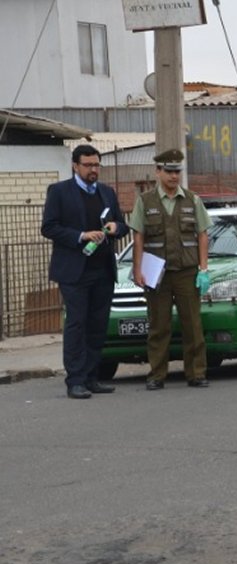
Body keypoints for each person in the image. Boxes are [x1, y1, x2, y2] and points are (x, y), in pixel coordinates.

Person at [40, 145, 129, 399]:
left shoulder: (106, 193)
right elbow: (49, 227)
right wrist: (81, 236)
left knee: (97, 325)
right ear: (75, 166)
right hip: (74, 272)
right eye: (88, 165)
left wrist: (115, 227)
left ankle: (92, 377)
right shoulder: (59, 192)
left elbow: (122, 226)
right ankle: (75, 380)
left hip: (102, 269)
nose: (93, 170)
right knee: (77, 324)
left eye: (96, 165)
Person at [129, 149, 212, 390]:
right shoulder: (145, 201)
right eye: (169, 171)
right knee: (158, 325)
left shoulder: (192, 199)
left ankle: (196, 373)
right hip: (157, 274)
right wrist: (137, 270)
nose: (174, 176)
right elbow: (139, 237)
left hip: (186, 271)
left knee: (193, 325)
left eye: (177, 171)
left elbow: (203, 234)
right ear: (158, 172)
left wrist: (203, 269)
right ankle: (157, 374)